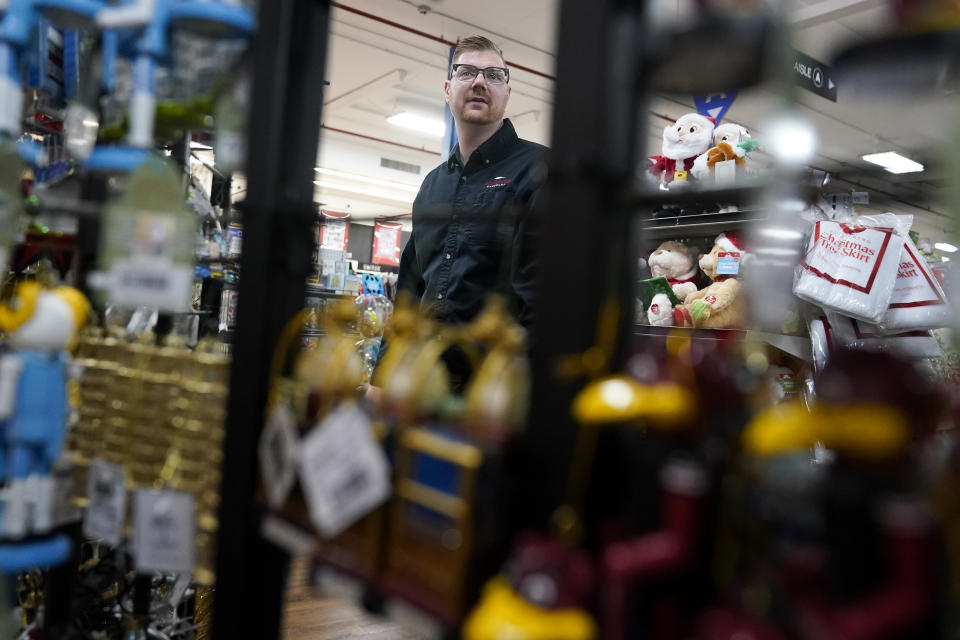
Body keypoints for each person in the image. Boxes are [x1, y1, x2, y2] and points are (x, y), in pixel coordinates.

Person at [396, 35, 548, 330]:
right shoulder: (431, 186)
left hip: (495, 372)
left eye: (493, 75)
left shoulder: (540, 170)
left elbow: (540, 302)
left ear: (507, 93)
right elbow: (409, 293)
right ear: (447, 90)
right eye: (466, 72)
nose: (480, 82)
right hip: (425, 371)